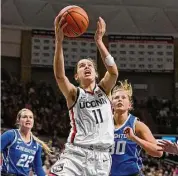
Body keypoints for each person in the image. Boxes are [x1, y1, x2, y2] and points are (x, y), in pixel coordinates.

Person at [50, 14, 118, 176]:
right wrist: (59, 42)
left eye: (90, 65)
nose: (86, 67)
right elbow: (60, 76)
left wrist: (99, 42)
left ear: (95, 74)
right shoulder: (74, 94)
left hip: (102, 159)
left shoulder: (104, 90)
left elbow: (113, 72)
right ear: (76, 76)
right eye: (82, 66)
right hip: (76, 154)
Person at [110, 80, 163, 176]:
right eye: (116, 97)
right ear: (111, 104)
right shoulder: (104, 125)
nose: (120, 99)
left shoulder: (137, 125)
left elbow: (159, 152)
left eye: (123, 97)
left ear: (129, 105)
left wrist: (135, 138)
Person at [1, 108, 51, 176]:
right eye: (25, 117)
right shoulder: (10, 135)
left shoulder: (37, 144)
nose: (28, 119)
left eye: (31, 117)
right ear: (18, 120)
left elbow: (38, 168)